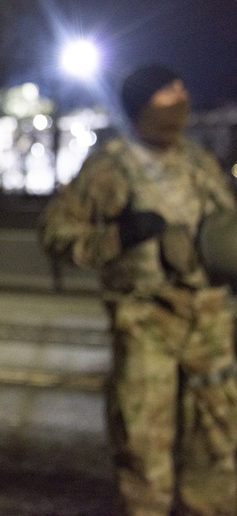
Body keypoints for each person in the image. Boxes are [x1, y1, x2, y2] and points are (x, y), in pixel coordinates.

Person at [40, 64, 237, 515]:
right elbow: (55, 234)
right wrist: (117, 238)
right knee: (144, 462)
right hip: (146, 325)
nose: (180, 103)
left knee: (218, 458)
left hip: (209, 326)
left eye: (183, 94)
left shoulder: (198, 162)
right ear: (143, 106)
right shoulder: (111, 167)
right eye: (169, 96)